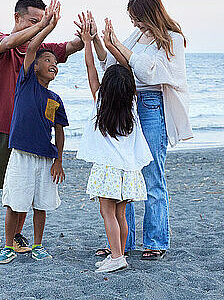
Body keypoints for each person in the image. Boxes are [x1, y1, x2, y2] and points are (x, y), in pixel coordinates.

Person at [0, 0, 84, 259]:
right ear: (17, 18)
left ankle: (16, 237)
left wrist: (86, 35)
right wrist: (44, 26)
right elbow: (10, 42)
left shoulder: (39, 51)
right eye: (33, 21)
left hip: (29, 137)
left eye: (41, 21)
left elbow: (71, 46)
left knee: (24, 190)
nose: (37, 26)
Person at [94, 0, 193, 260]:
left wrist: (119, 45)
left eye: (138, 18)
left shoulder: (172, 39)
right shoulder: (137, 36)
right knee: (126, 173)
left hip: (151, 105)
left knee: (152, 176)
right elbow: (113, 63)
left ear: (150, 13)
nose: (135, 24)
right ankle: (124, 244)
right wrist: (99, 41)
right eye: (132, 19)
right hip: (130, 104)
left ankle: (155, 241)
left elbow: (151, 71)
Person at [75, 17, 152, 272]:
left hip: (108, 169)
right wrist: (110, 43)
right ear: (129, 88)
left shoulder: (100, 102)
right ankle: (120, 255)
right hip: (127, 169)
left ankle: (117, 256)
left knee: (107, 213)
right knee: (119, 214)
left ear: (106, 88)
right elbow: (126, 71)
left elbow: (90, 69)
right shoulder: (132, 106)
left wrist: (89, 42)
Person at [0, 1, 68, 264]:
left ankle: (38, 244)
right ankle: (8, 246)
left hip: (45, 159)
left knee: (42, 204)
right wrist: (46, 27)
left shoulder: (55, 98)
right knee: (15, 202)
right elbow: (33, 48)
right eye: (47, 60)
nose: (53, 64)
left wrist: (59, 159)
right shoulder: (25, 83)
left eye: (56, 62)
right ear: (34, 65)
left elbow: (60, 132)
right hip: (21, 155)